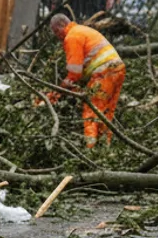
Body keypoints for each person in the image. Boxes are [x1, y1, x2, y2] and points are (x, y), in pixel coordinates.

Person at [50, 14, 126, 149]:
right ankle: (104, 148)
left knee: (92, 109)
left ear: (62, 25)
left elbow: (75, 72)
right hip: (117, 69)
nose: (57, 36)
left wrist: (59, 91)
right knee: (107, 111)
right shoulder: (81, 30)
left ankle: (90, 148)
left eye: (56, 31)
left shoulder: (72, 36)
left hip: (104, 72)